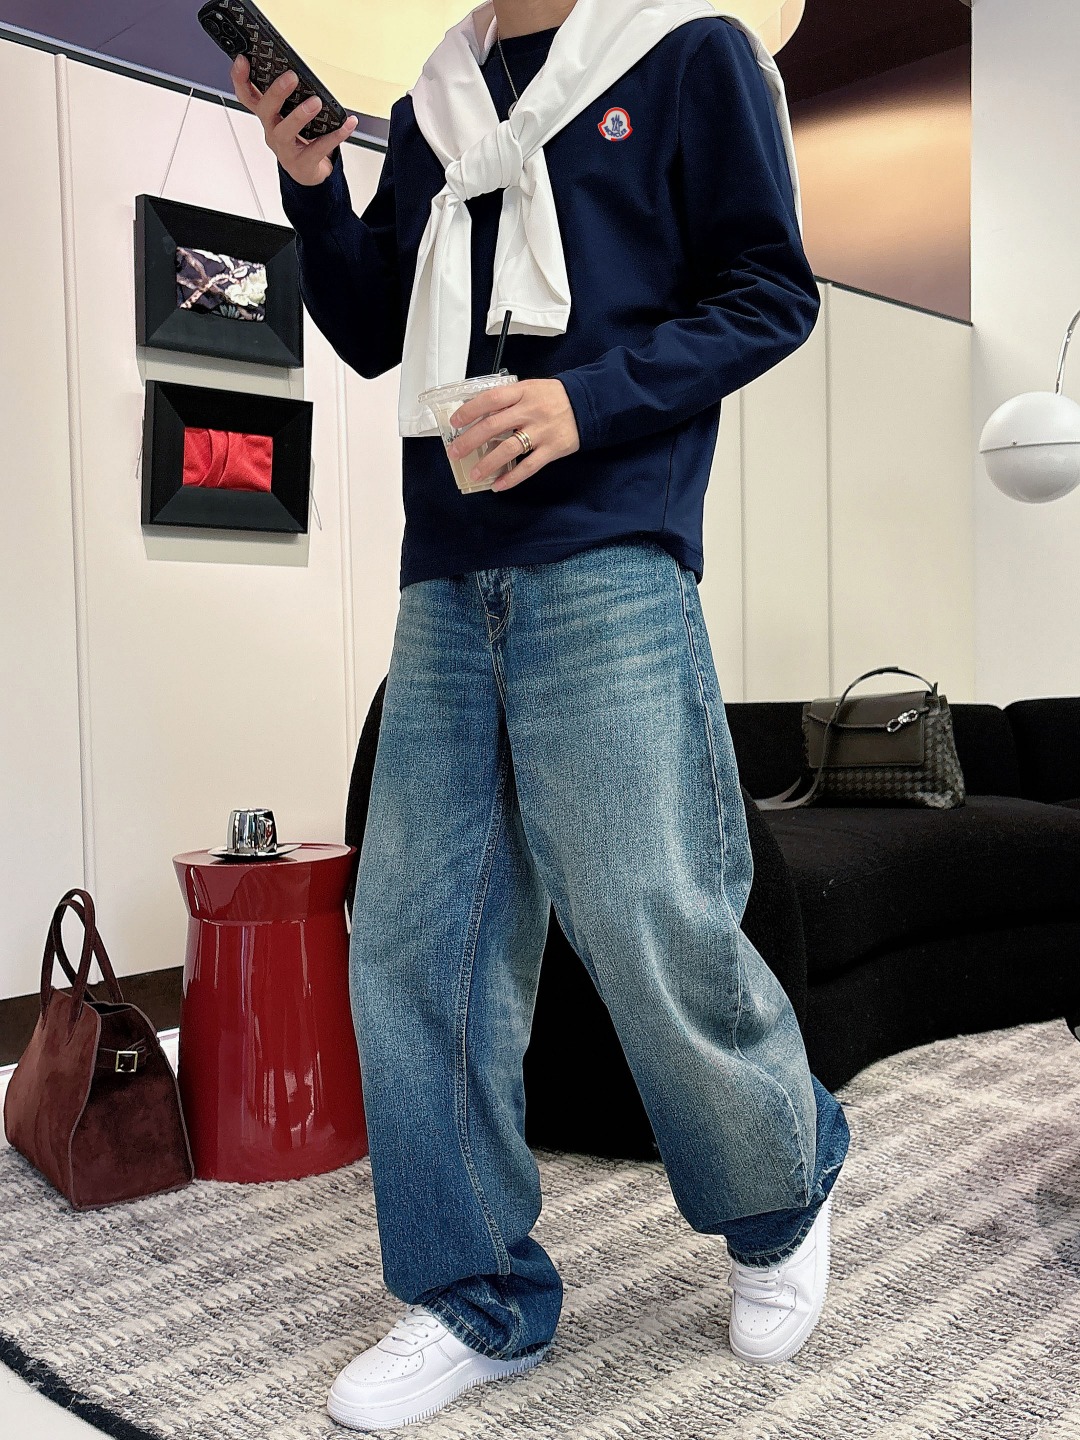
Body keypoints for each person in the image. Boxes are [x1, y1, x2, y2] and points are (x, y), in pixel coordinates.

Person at [234, 0, 850, 1429]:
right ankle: (476, 1294)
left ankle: (783, 1183)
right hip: (447, 569)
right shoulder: (436, 103)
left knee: (645, 906)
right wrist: (312, 182)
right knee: (414, 938)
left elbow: (771, 290)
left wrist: (587, 405)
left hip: (613, 545)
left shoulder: (685, 53)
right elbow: (376, 328)